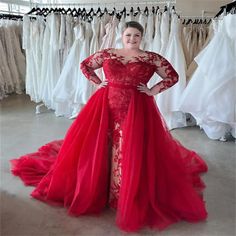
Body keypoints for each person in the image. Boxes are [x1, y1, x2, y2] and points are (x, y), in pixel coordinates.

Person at [10, 21, 208, 232]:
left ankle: (124, 191)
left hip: (136, 107)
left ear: (142, 37)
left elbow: (173, 76)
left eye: (136, 36)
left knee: (130, 146)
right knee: (100, 145)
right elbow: (85, 65)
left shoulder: (151, 57)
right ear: (122, 35)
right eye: (128, 35)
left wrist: (153, 90)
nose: (132, 39)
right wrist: (97, 81)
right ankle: (99, 187)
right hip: (106, 104)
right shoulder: (108, 53)